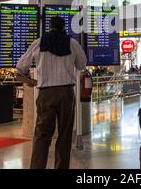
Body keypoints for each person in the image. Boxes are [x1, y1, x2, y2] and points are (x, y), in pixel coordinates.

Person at [16, 16, 87, 169]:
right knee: (65, 134)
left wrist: (30, 80)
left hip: (45, 94)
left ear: (49, 27)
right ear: (63, 27)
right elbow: (82, 64)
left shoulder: (39, 42)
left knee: (42, 135)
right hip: (66, 93)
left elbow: (21, 66)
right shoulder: (72, 43)